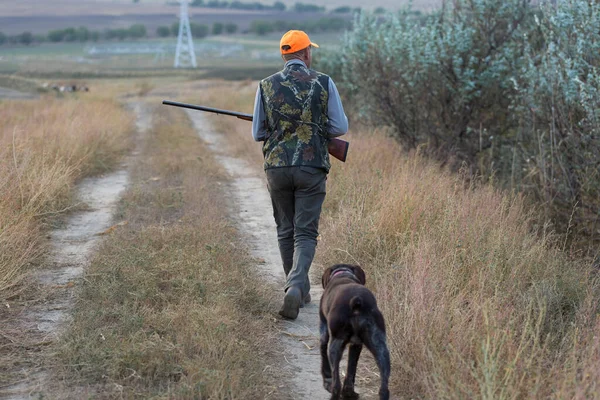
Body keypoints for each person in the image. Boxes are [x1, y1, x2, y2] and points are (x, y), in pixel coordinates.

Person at [252, 30, 349, 320]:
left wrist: (283, 129)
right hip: (311, 167)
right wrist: (314, 130)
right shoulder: (324, 82)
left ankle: (298, 290)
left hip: (278, 168)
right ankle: (296, 285)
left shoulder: (266, 85)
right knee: (305, 232)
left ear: (285, 55)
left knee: (285, 230)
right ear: (306, 53)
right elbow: (339, 126)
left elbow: (258, 132)